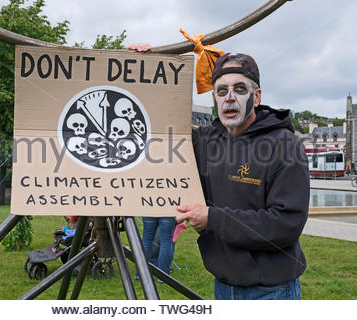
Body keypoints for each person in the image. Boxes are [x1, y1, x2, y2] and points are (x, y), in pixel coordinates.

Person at [128, 43, 309, 300]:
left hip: (271, 291)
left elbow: (285, 224)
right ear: (214, 98)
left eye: (239, 89)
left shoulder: (284, 145)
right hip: (223, 287)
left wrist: (213, 218)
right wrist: (144, 68)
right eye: (221, 91)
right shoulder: (205, 140)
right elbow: (153, 128)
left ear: (256, 97)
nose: (230, 97)